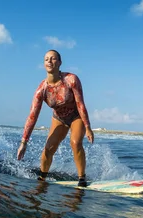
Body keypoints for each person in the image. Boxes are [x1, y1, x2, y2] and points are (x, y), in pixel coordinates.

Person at [17, 49, 94, 187]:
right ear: (44, 64)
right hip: (59, 118)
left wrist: (88, 127)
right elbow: (32, 116)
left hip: (76, 116)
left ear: (59, 62)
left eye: (53, 59)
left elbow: (80, 103)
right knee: (48, 149)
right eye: (46, 59)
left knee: (75, 142)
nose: (49, 61)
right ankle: (42, 179)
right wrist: (24, 142)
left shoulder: (71, 80)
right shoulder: (42, 89)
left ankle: (82, 179)